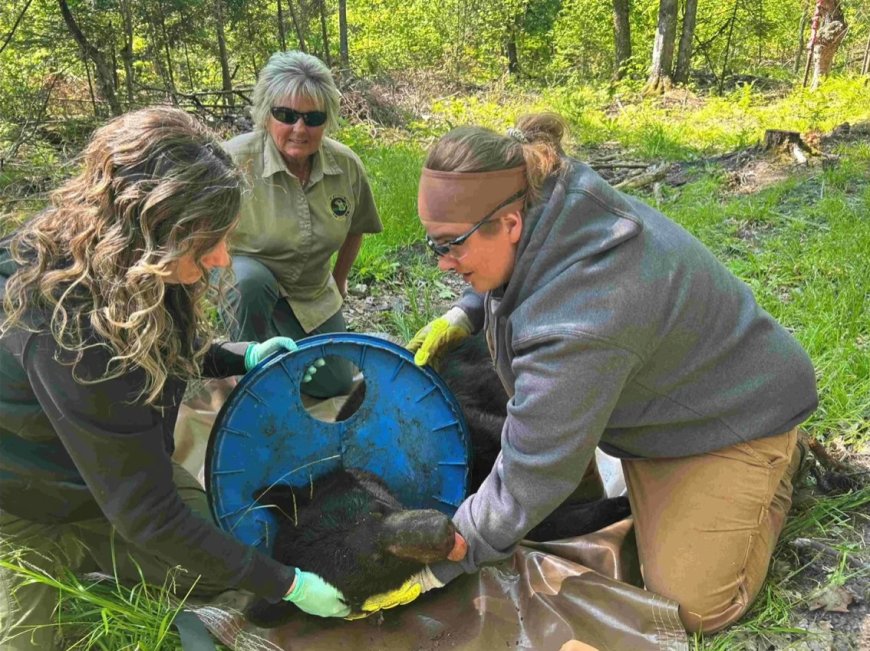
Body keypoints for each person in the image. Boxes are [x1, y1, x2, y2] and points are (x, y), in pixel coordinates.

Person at [401, 113, 819, 634]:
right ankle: (651, 483)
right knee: (547, 417)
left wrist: (442, 560)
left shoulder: (582, 317)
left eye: (450, 245)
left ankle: (778, 465)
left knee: (693, 606)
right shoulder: (547, 202)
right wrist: (468, 310)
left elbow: (533, 473)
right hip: (673, 391)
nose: (442, 262)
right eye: (433, 245)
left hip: (738, 418)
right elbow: (519, 271)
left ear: (507, 224)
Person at [0, 107, 351, 650]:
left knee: (225, 559)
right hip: (26, 498)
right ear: (147, 232)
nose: (221, 258)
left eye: (224, 237)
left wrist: (241, 355)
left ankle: (110, 555)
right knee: (35, 641)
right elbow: (150, 515)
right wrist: (290, 584)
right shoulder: (70, 330)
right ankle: (78, 560)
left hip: (115, 468)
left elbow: (157, 340)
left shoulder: (125, 263)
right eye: (205, 244)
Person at [222, 51, 383, 399]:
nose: (299, 128)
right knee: (249, 280)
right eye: (286, 115)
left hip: (312, 291)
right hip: (248, 290)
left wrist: (338, 281)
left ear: (327, 120)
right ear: (266, 115)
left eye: (313, 117)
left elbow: (357, 225)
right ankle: (241, 378)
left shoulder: (346, 165)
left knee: (337, 389)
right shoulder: (232, 163)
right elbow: (196, 234)